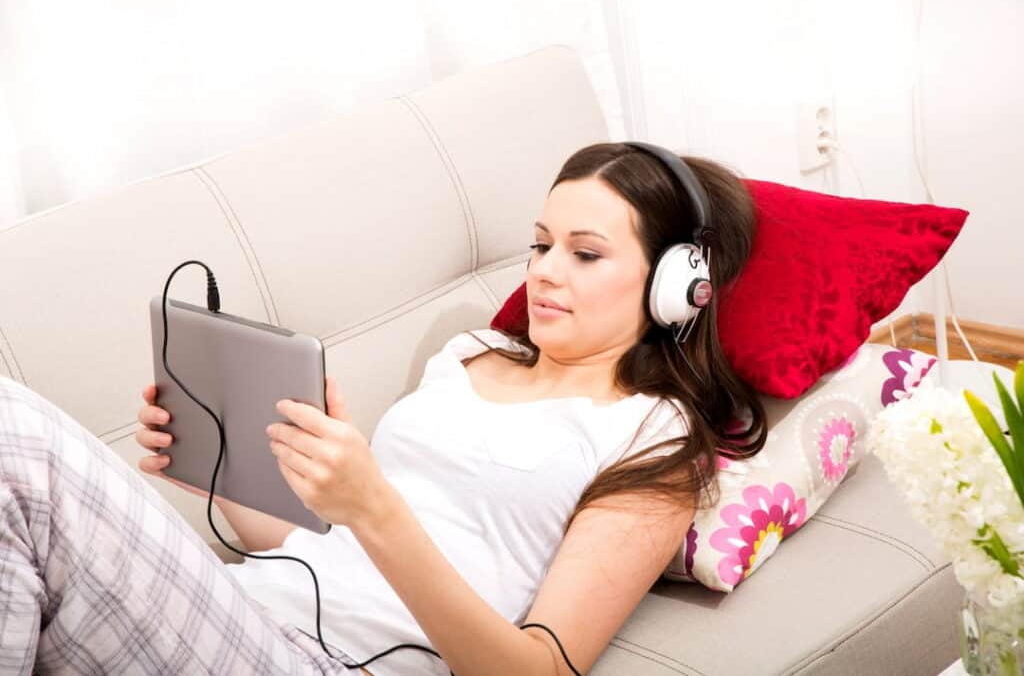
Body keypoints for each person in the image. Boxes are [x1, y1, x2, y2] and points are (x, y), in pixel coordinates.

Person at [0, 142, 767, 675]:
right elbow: (322, 550)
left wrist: (372, 505)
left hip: (322, 661)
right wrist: (219, 469)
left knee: (18, 440)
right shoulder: (472, 351)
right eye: (539, 245)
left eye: (585, 252)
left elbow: (535, 669)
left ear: (677, 287)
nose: (545, 272)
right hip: (243, 607)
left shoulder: (653, 438)